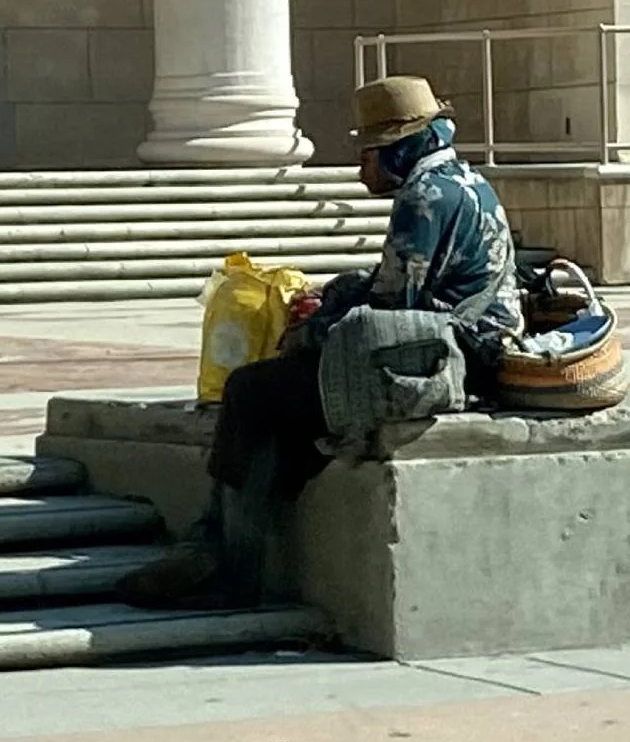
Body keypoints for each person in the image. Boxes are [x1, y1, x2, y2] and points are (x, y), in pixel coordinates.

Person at [117, 75, 524, 610]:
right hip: (470, 351)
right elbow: (401, 284)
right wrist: (338, 293)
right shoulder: (466, 182)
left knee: (247, 391)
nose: (361, 171)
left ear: (399, 149)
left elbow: (393, 310)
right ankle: (224, 554)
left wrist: (311, 330)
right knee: (283, 419)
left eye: (368, 156)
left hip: (442, 362)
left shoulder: (423, 198)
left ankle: (221, 560)